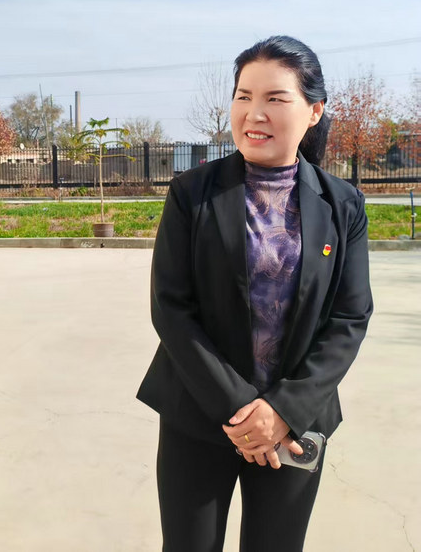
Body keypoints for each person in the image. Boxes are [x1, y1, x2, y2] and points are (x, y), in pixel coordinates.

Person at [137, 35, 373, 552]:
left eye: (274, 98)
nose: (254, 113)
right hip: (198, 415)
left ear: (314, 111)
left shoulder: (342, 205)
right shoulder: (192, 193)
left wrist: (283, 411)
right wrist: (245, 410)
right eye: (243, 96)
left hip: (295, 425)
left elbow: (350, 317)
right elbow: (171, 308)